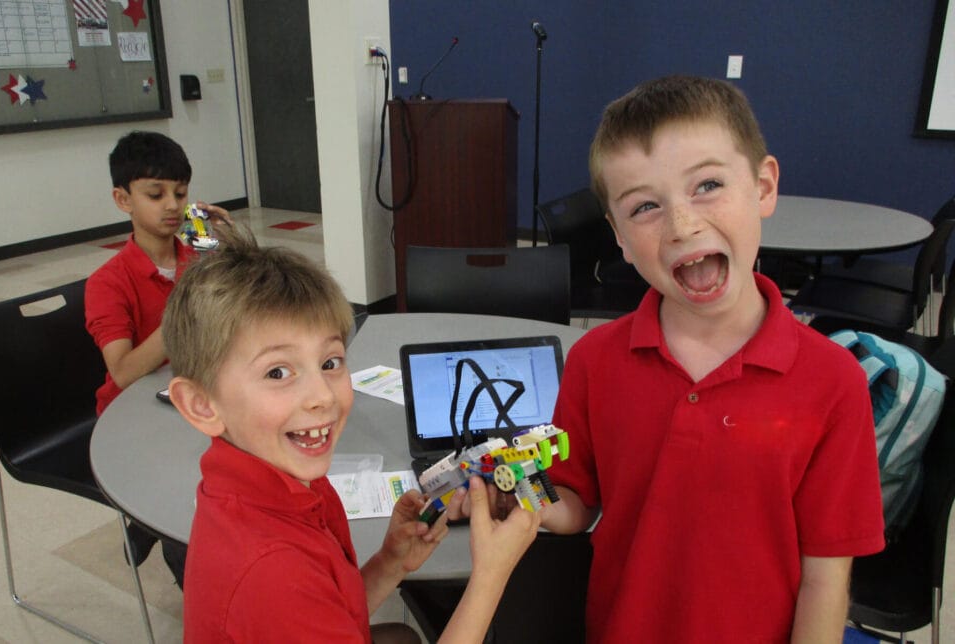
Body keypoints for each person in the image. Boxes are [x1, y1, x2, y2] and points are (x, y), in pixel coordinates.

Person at [536, 76, 885, 642]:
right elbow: (576, 501)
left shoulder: (833, 382)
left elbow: (826, 576)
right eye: (645, 206)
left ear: (764, 186)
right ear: (618, 237)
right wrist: (524, 499)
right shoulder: (593, 360)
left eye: (708, 185)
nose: (682, 225)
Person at [162, 225, 542, 643]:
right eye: (277, 372)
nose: (322, 396)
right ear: (201, 405)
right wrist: (491, 574)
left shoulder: (287, 479)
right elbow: (294, 598)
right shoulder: (271, 572)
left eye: (330, 362)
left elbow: (328, 609)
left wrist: (390, 563)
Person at [85, 130, 229, 583]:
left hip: (194, 389)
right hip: (136, 416)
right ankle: (177, 552)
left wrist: (226, 240)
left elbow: (242, 303)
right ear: (122, 199)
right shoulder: (107, 282)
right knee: (187, 515)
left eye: (180, 193)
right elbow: (124, 372)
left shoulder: (197, 252)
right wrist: (183, 311)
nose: (172, 205)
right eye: (155, 194)